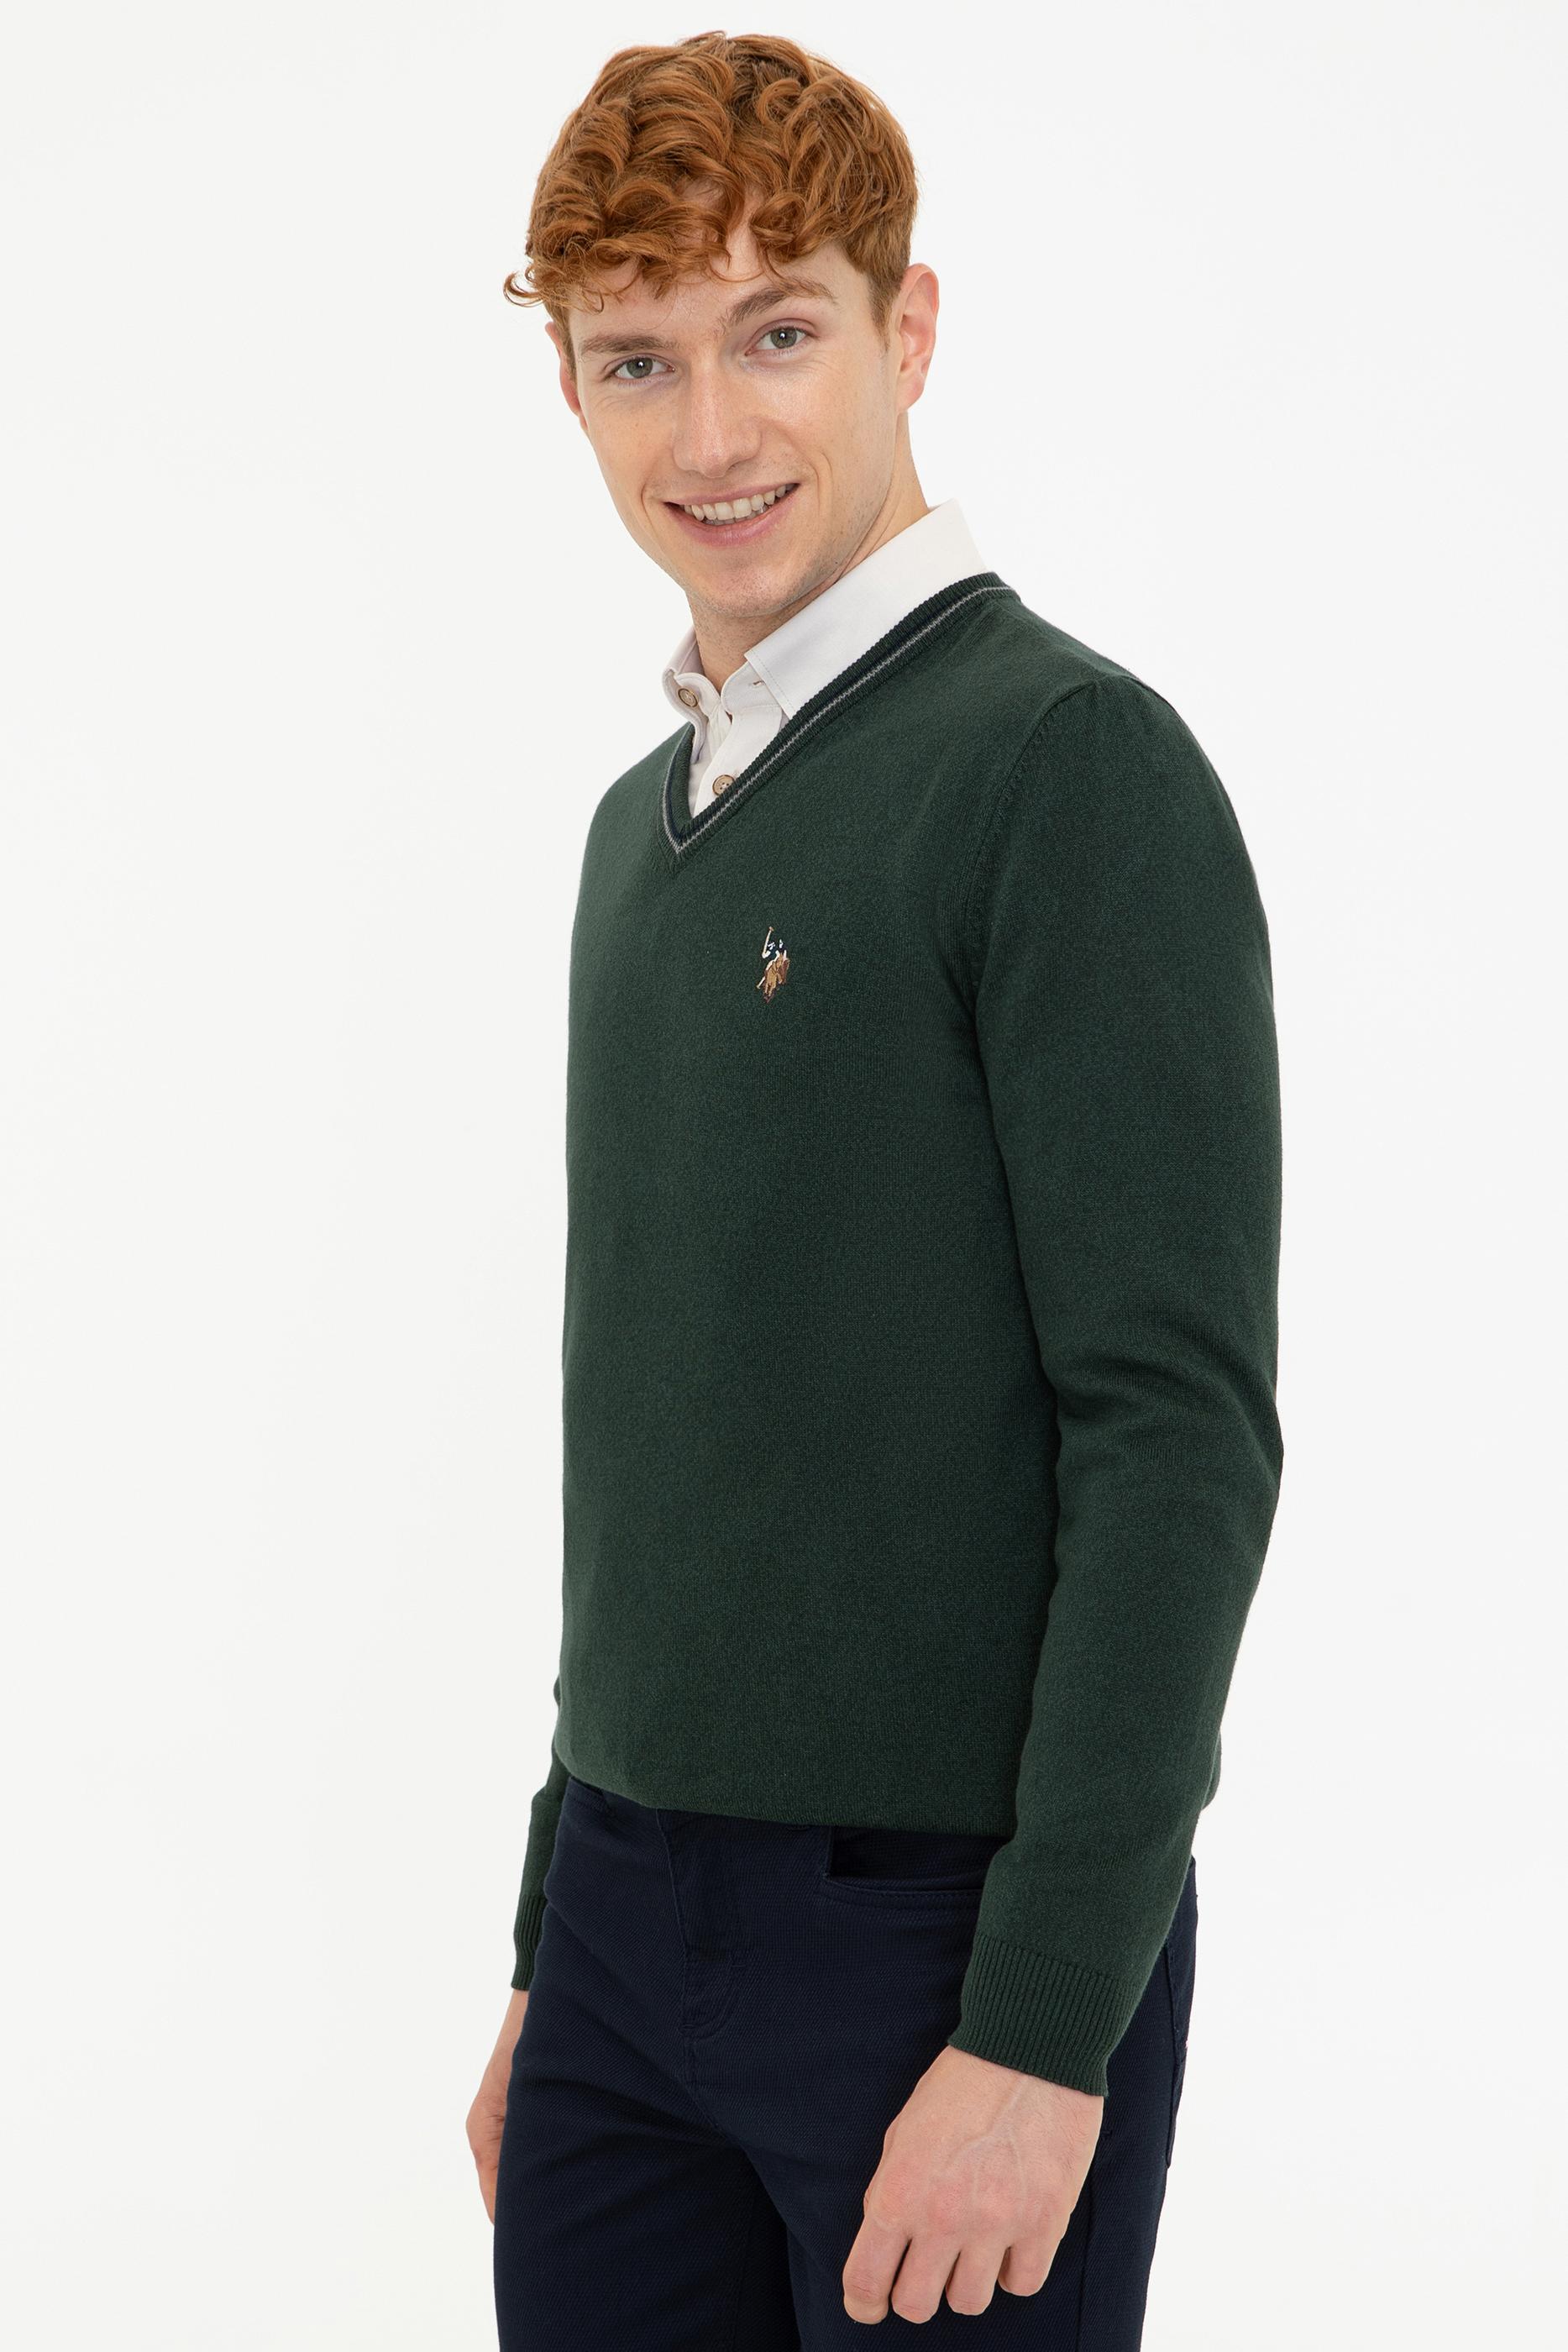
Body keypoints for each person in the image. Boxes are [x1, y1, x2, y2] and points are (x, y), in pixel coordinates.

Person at [467, 30, 1282, 2349]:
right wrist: (551, 1937)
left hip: (942, 1943)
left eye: (776, 331)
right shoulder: (636, 838)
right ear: (568, 387)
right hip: (623, 1924)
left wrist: (1042, 2025)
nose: (709, 432)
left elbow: (1177, 1437)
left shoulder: (1060, 764)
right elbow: (661, 1429)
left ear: (905, 328)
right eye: (638, 358)